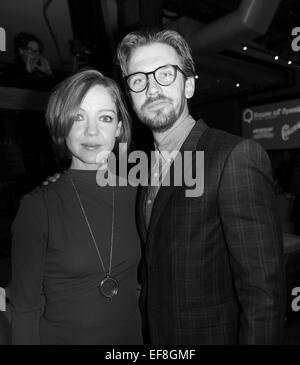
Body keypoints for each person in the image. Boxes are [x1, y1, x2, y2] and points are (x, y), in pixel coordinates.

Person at [116, 30, 286, 345]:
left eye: (165, 74)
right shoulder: (143, 167)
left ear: (189, 85)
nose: (152, 88)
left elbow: (264, 294)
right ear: (130, 95)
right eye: (138, 80)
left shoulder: (234, 156)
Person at [9, 69, 143, 345]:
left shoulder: (141, 194)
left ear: (119, 128)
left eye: (105, 118)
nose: (91, 131)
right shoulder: (37, 207)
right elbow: (25, 308)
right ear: (61, 124)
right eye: (78, 117)